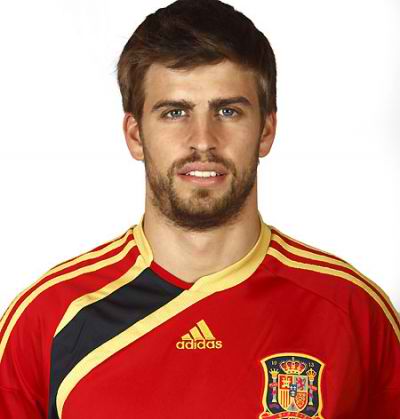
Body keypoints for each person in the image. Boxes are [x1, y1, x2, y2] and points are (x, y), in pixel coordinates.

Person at [1, 0, 399, 417]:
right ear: (135, 135)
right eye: (175, 112)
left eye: (228, 111)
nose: (204, 140)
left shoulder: (353, 312)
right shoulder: (46, 320)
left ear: (266, 131)